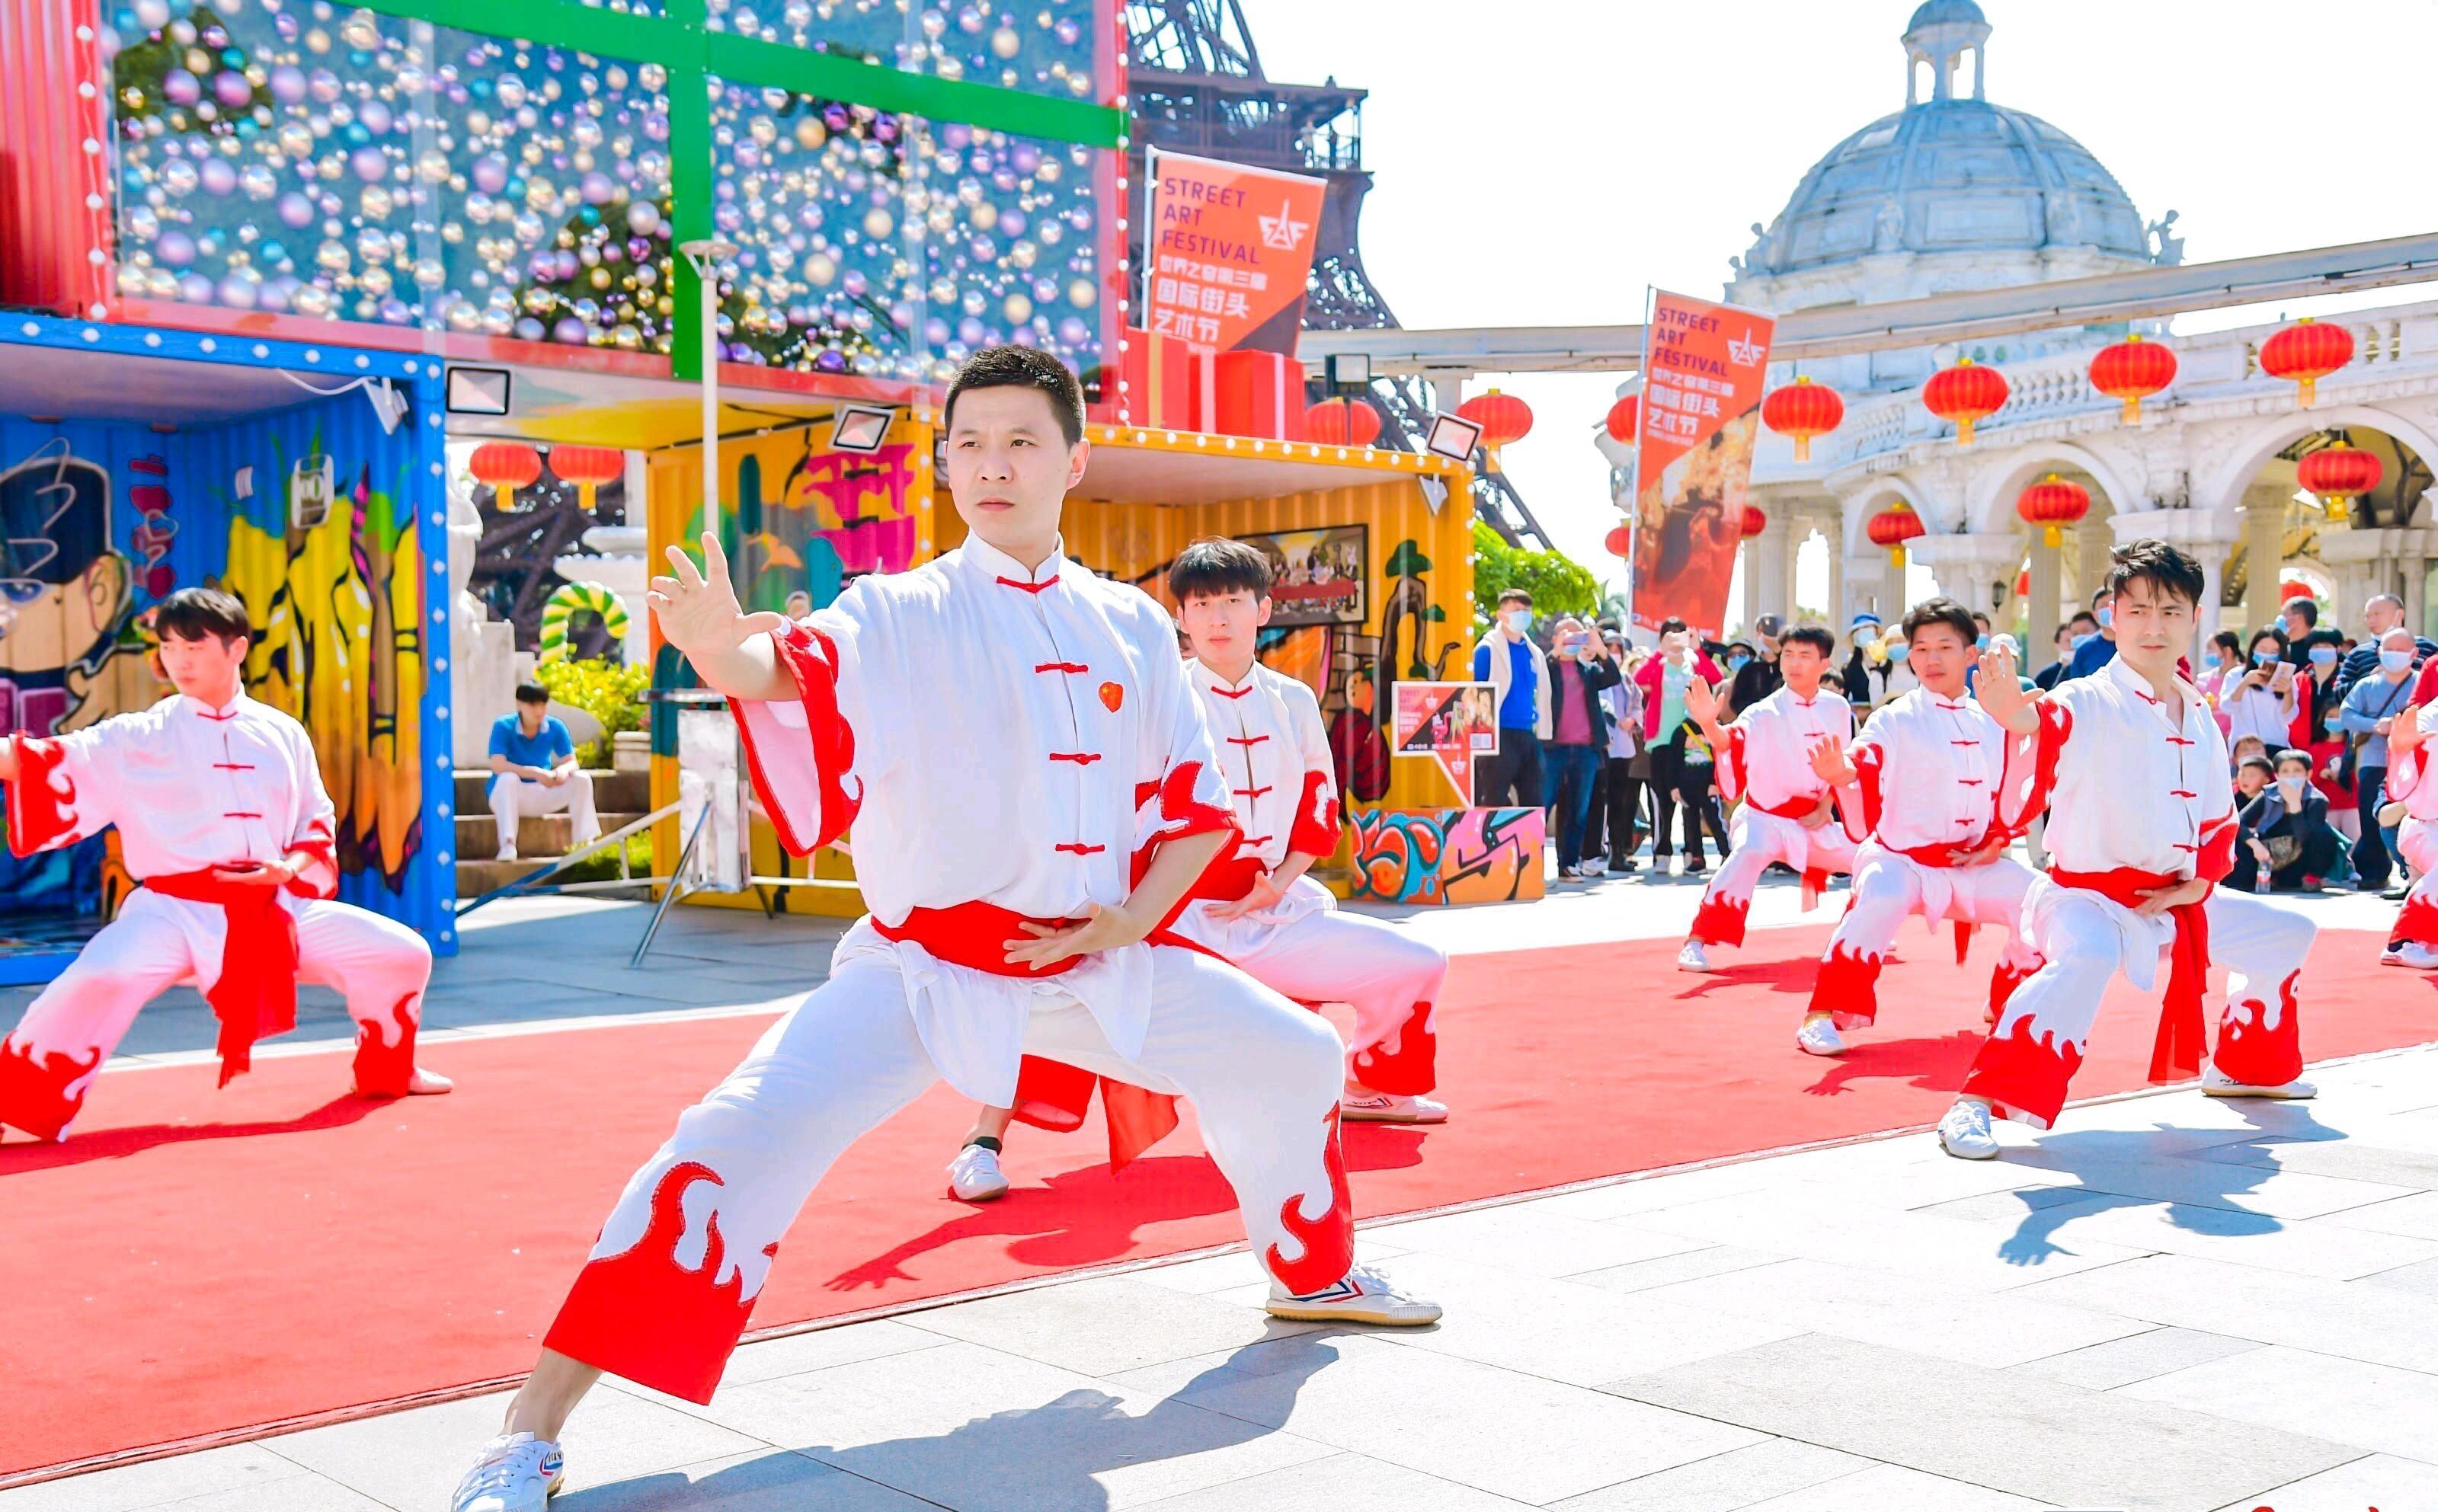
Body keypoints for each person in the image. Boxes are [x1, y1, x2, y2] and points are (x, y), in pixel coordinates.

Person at [447, 350, 1439, 1512]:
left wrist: (1129, 916)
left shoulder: (1132, 624)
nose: (990, 465)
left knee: (1299, 1052)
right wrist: (719, 645)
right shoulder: (902, 607)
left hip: (1092, 962)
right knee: (728, 1142)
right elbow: (788, 667)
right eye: (967, 443)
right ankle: (530, 1431)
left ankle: (1313, 1277)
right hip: (921, 968)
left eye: (1019, 441)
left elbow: (1194, 806)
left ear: (1073, 459)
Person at [946, 539, 1457, 1203]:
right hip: (1171, 918)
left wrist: (1283, 877)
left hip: (1273, 913)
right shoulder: (1150, 695)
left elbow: (1319, 799)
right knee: (1066, 995)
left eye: (1233, 601)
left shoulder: (1294, 699)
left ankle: (1368, 1083)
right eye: (1202, 603)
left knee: (1417, 962)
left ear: (1263, 609)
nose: (1218, 616)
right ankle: (982, 1139)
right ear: (1181, 617)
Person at [0, 587, 450, 1141]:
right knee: (101, 973)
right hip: (170, 912)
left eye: (194, 644)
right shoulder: (138, 735)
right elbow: (38, 760)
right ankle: (10, 1102)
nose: (178, 659)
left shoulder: (283, 733)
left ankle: (390, 1070)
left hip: (274, 908)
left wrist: (286, 869)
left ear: (236, 648)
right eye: (168, 645)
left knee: (400, 953)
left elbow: (315, 815)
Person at [1932, 541, 2316, 1162]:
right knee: (2087, 954)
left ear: (2194, 617)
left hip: (2171, 900)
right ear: (2112, 614)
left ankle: (2246, 1065)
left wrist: (2202, 880)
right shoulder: (2088, 697)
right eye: (2136, 610)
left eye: (2170, 610)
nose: (2153, 626)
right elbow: (2046, 723)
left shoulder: (2198, 710)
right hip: (2085, 897)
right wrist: (2013, 717)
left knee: (2288, 932)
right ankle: (1975, 1103)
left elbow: (2218, 815)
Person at [1794, 599, 2043, 1055]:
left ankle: (2009, 1002)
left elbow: (2015, 789)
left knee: (2043, 900)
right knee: (1880, 896)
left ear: (1972, 654)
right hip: (1901, 861)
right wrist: (1838, 771)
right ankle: (1823, 1013)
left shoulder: (1995, 720)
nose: (1931, 659)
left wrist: (1997, 841)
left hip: (1969, 865)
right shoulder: (1896, 716)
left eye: (1945, 647)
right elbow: (1861, 761)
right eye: (1921, 648)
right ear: (1909, 656)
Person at [1674, 625, 1858, 972]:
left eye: (1805, 656)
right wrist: (1709, 726)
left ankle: (1861, 931)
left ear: (1824, 663)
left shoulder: (1837, 708)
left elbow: (1842, 762)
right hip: (1765, 818)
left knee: (1868, 861)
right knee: (1749, 852)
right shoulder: (1763, 711)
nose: (1794, 663)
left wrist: (1824, 808)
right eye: (1788, 654)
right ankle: (1697, 941)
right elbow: (1732, 741)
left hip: (1812, 821)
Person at [2337, 627, 2420, 893]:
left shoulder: (2422, 682)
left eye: (2401, 649)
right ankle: (2374, 871)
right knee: (2370, 815)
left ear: (2414, 654)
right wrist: (2375, 725)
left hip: (2413, 762)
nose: (2394, 655)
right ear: (2379, 652)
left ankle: (2413, 873)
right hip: (2374, 760)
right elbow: (2346, 715)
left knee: (2413, 816)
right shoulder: (2367, 685)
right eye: (2389, 649)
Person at [1637, 624, 1723, 874]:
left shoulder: (1694, 663)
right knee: (1663, 799)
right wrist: (1659, 652)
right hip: (1663, 740)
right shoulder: (1659, 664)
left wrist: (1698, 648)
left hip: (1692, 738)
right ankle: (1662, 852)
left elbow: (1716, 678)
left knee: (1691, 799)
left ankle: (1692, 852)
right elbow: (1638, 680)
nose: (1676, 640)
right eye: (1670, 635)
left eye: (1680, 634)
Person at [487, 682, 601, 863]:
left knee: (581, 779)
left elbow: (572, 763)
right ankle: (508, 844)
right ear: (519, 704)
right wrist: (536, 773)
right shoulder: (504, 726)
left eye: (543, 704)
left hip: (543, 792)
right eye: (533, 705)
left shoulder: (555, 726)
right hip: (509, 796)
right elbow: (498, 765)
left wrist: (561, 772)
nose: (538, 711)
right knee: (508, 778)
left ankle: (585, 842)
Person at [1544, 616, 1622, 881]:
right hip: (1553, 749)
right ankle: (1530, 863)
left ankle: (1569, 864)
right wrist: (1554, 653)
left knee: (1580, 811)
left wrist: (1599, 647)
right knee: (1542, 807)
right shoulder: (1548, 668)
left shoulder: (1587, 670)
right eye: (1567, 636)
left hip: (1586, 750)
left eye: (1578, 636)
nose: (1572, 641)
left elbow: (1613, 677)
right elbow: (1535, 676)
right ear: (1556, 638)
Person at [1471, 589, 1547, 808]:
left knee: (1534, 803)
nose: (1523, 614)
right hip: (1497, 735)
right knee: (1492, 800)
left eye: (1526, 610)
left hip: (1527, 733)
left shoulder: (1533, 652)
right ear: (1501, 615)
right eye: (1516, 610)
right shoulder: (1486, 650)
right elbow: (1475, 694)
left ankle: (1532, 844)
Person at [2236, 748, 2345, 893]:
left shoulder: (2317, 800)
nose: (2291, 776)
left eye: (2297, 771)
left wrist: (2294, 804)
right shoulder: (2268, 793)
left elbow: (2307, 838)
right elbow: (2239, 822)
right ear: (2277, 775)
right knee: (2238, 841)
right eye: (2285, 771)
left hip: (2299, 860)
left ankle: (2312, 878)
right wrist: (2256, 845)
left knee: (2325, 833)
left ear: (2308, 774)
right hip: (2268, 856)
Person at [2380, 699, 2438, 967]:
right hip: (2425, 826)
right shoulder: (2431, 714)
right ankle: (2403, 942)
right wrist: (2402, 747)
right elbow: (2416, 731)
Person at [1595, 633, 1646, 872]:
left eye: (1618, 650)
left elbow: (1638, 705)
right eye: (1609, 648)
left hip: (1623, 749)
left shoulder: (1627, 680)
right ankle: (1595, 850)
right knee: (1597, 802)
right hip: (1602, 747)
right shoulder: (1595, 675)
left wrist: (1632, 720)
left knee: (1619, 803)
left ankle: (1618, 852)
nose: (1614, 653)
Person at [2335, 593, 2435, 699]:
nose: (2371, 620)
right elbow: (2338, 693)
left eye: (2377, 614)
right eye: (2367, 616)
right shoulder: (2358, 654)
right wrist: (2369, 680)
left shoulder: (2426, 647)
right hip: (2370, 715)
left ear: (2399, 614)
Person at [2220, 629, 2300, 752]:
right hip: (2244, 748)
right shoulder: (2236, 675)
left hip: (2276, 746)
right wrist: (2245, 683)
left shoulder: (2287, 679)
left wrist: (2287, 692)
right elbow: (2227, 707)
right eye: (2263, 650)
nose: (2268, 655)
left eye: (2274, 652)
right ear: (2253, 649)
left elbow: (2288, 717)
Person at [2226, 755, 2276, 893]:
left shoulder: (2270, 798)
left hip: (2263, 847)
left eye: (2252, 775)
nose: (2245, 779)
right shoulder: (2232, 796)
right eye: (2242, 774)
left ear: (2266, 779)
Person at [1726, 612, 1787, 715]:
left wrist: (1779, 652)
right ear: (1758, 634)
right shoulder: (1749, 668)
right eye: (1764, 632)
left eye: (1772, 633)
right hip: (1756, 724)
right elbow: (1736, 702)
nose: (1768, 638)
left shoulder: (1787, 665)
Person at [2062, 587, 2117, 680]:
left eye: (2113, 605)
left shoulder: (2134, 644)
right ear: (2094, 614)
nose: (2109, 609)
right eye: (2104, 606)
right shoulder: (2084, 650)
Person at [2034, 612, 2098, 692]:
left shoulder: (2110, 660)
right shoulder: (2067, 670)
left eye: (2085, 631)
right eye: (2075, 634)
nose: (2080, 636)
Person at [1838, 612, 1886, 712]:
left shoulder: (1888, 664)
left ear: (1877, 632)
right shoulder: (1849, 669)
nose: (1862, 632)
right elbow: (1843, 698)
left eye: (1867, 628)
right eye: (1858, 630)